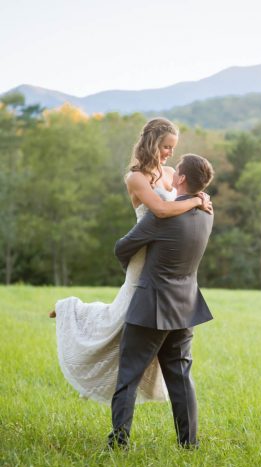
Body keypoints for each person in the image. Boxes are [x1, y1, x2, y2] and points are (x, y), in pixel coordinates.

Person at [51, 118, 212, 405]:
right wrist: (196, 202)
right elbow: (162, 209)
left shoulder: (173, 173)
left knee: (129, 326)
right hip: (144, 258)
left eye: (173, 148)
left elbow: (183, 200)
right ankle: (70, 311)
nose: (169, 154)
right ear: (151, 143)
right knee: (118, 319)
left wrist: (200, 195)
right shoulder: (136, 178)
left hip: (167, 258)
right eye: (165, 146)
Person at [108, 153, 215, 450]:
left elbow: (123, 247)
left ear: (181, 178)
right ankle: (189, 443)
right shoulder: (208, 212)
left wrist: (135, 269)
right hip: (186, 306)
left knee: (128, 376)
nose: (171, 173)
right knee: (180, 377)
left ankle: (119, 443)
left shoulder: (162, 217)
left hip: (151, 305)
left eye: (176, 171)